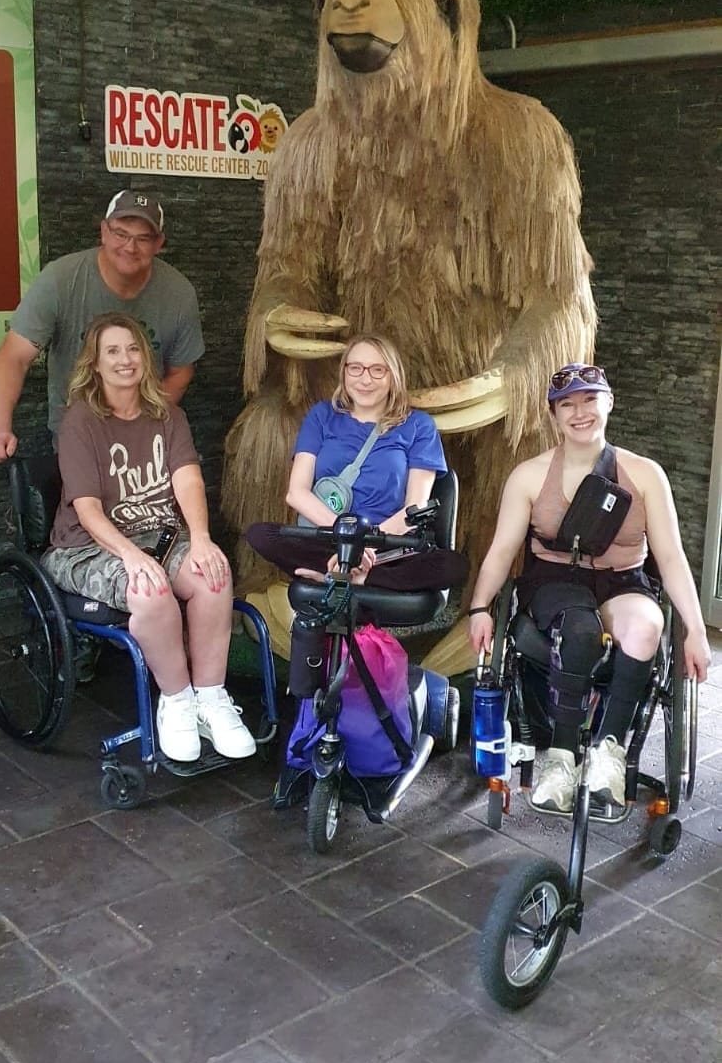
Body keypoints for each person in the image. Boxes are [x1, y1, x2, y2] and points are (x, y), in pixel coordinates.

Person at [468, 362, 711, 814]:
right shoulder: (529, 476)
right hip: (555, 582)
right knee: (579, 631)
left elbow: (673, 557)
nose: (580, 412)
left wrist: (695, 630)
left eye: (589, 400)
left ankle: (608, 754)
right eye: (567, 405)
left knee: (644, 630)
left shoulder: (645, 475)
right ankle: (561, 758)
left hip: (622, 581)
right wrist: (480, 607)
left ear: (609, 403)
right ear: (554, 415)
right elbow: (502, 551)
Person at [41, 312, 255, 764]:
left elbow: (189, 481)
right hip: (87, 546)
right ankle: (175, 701)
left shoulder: (168, 416)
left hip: (159, 535)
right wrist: (131, 556)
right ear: (95, 364)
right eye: (112, 352)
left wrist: (200, 538)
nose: (125, 359)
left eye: (133, 348)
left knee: (212, 575)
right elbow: (87, 509)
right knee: (150, 589)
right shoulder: (81, 421)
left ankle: (211, 700)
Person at [0, 190, 204, 461]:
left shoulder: (178, 293)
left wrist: (142, 424)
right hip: (77, 434)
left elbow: (180, 372)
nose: (130, 247)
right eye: (121, 234)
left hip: (146, 436)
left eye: (142, 238)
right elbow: (15, 356)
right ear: (104, 232)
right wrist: (0, 429)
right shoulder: (60, 280)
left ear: (159, 244)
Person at [247, 333, 467, 591]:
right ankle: (348, 577)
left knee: (453, 566)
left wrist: (365, 546)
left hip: (385, 546)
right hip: (327, 536)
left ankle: (346, 579)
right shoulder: (321, 416)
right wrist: (347, 544)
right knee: (261, 534)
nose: (365, 379)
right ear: (344, 373)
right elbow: (296, 493)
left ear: (393, 376)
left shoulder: (419, 426)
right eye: (356, 368)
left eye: (377, 370)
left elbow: (414, 507)